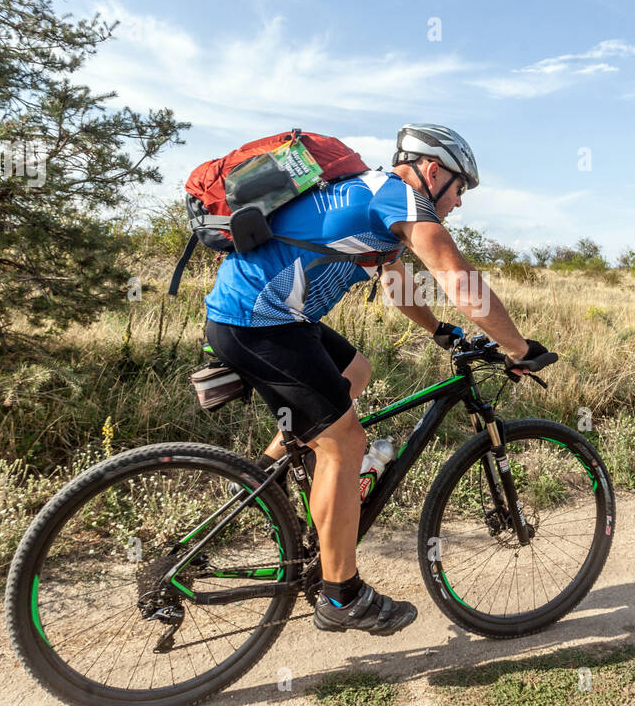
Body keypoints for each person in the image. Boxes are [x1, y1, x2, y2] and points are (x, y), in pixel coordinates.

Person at [203, 124, 551, 635]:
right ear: (433, 171)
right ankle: (342, 596)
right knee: (345, 441)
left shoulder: (373, 197)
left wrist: (442, 332)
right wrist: (519, 348)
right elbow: (459, 279)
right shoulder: (398, 197)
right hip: (259, 323)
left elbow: (398, 282)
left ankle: (264, 477)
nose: (459, 202)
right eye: (460, 188)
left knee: (355, 372)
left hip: (274, 320)